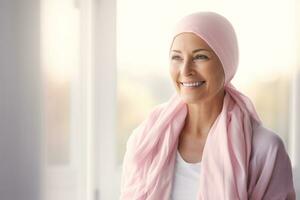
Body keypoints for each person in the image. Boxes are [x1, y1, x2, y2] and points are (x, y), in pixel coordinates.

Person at [120, 11, 296, 200]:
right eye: (177, 57)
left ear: (227, 62)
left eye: (200, 57)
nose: (185, 70)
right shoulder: (145, 140)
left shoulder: (264, 149)